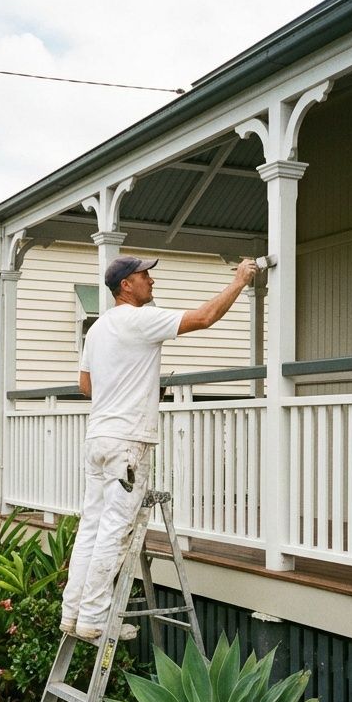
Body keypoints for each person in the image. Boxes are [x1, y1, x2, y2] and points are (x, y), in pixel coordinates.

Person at [61, 255, 258, 640]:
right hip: (127, 443)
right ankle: (94, 619)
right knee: (114, 530)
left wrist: (126, 385)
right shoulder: (139, 319)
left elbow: (86, 386)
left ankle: (73, 613)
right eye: (143, 275)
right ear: (125, 287)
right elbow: (203, 318)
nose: (151, 280)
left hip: (98, 437)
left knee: (91, 527)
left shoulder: (98, 329)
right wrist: (239, 281)